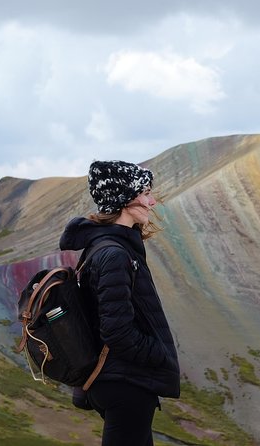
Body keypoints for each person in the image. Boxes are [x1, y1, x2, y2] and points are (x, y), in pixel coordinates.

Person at [59, 160, 180, 446]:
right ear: (124, 199)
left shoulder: (103, 246)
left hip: (116, 381)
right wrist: (158, 354)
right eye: (145, 193)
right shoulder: (114, 254)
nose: (151, 202)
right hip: (126, 385)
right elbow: (117, 331)